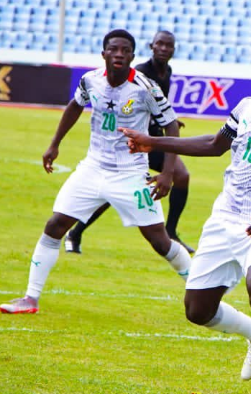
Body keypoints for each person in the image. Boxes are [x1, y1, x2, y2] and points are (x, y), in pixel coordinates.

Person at [120, 40, 251, 394]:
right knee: (197, 311)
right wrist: (154, 142)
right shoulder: (247, 105)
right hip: (223, 217)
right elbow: (215, 145)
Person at [0, 29, 192, 315]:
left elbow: (171, 125)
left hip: (130, 172)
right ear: (103, 54)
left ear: (132, 56)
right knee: (54, 227)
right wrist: (54, 145)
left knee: (159, 241)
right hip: (92, 167)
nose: (118, 54)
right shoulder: (90, 80)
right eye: (113, 49)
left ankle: (203, 287)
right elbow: (75, 105)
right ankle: (30, 299)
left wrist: (167, 172)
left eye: (125, 51)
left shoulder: (145, 87)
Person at [65, 30, 195, 255]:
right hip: (132, 143)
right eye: (160, 44)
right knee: (109, 195)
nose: (164, 49)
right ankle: (75, 233)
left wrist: (169, 119)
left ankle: (171, 232)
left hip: (153, 139)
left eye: (169, 46)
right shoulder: (141, 73)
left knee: (181, 176)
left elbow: (153, 106)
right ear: (151, 47)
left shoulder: (166, 71)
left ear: (174, 50)